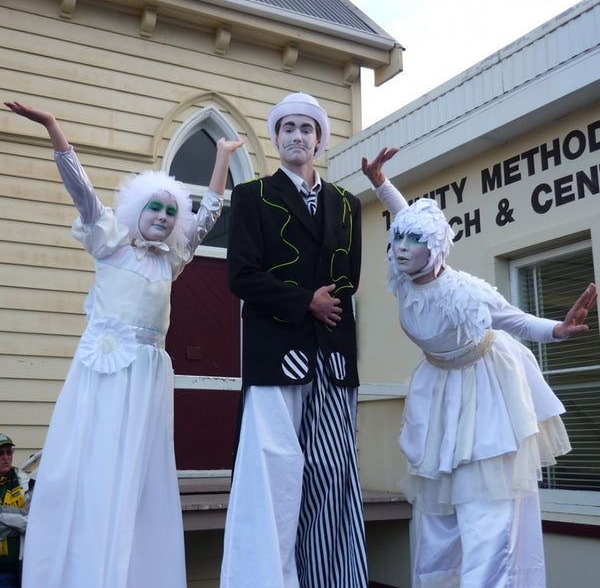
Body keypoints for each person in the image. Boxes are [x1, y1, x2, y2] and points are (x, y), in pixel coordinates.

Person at [4, 101, 245, 588]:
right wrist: (55, 128)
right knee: (95, 461)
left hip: (148, 376)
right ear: (137, 210)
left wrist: (220, 159)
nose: (162, 215)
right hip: (106, 371)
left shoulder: (171, 260)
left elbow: (209, 214)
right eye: (154, 206)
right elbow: (83, 193)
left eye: (170, 210)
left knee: (136, 471)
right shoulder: (110, 241)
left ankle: (130, 567)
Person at [361, 148, 597, 588]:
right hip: (439, 391)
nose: (401, 248)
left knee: (485, 515)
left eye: (414, 242)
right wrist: (380, 183)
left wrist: (560, 331)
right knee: (435, 519)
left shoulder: (466, 291)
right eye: (397, 240)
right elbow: (408, 218)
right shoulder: (403, 277)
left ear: (435, 250)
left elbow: (517, 320)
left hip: (484, 391)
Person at [220, 92, 366, 588]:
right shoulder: (252, 196)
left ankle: (332, 579)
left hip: (333, 357)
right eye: (287, 129)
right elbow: (240, 276)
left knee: (332, 475)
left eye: (306, 128)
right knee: (273, 478)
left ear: (320, 139)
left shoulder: (346, 203)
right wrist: (306, 300)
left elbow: (350, 277)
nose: (297, 136)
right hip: (275, 356)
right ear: (276, 138)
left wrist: (324, 305)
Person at [0, 434, 31, 588]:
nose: (6, 458)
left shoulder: (23, 481)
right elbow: (23, 518)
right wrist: (17, 524)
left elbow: (31, 520)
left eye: (9, 452)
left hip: (18, 569)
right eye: (1, 453)